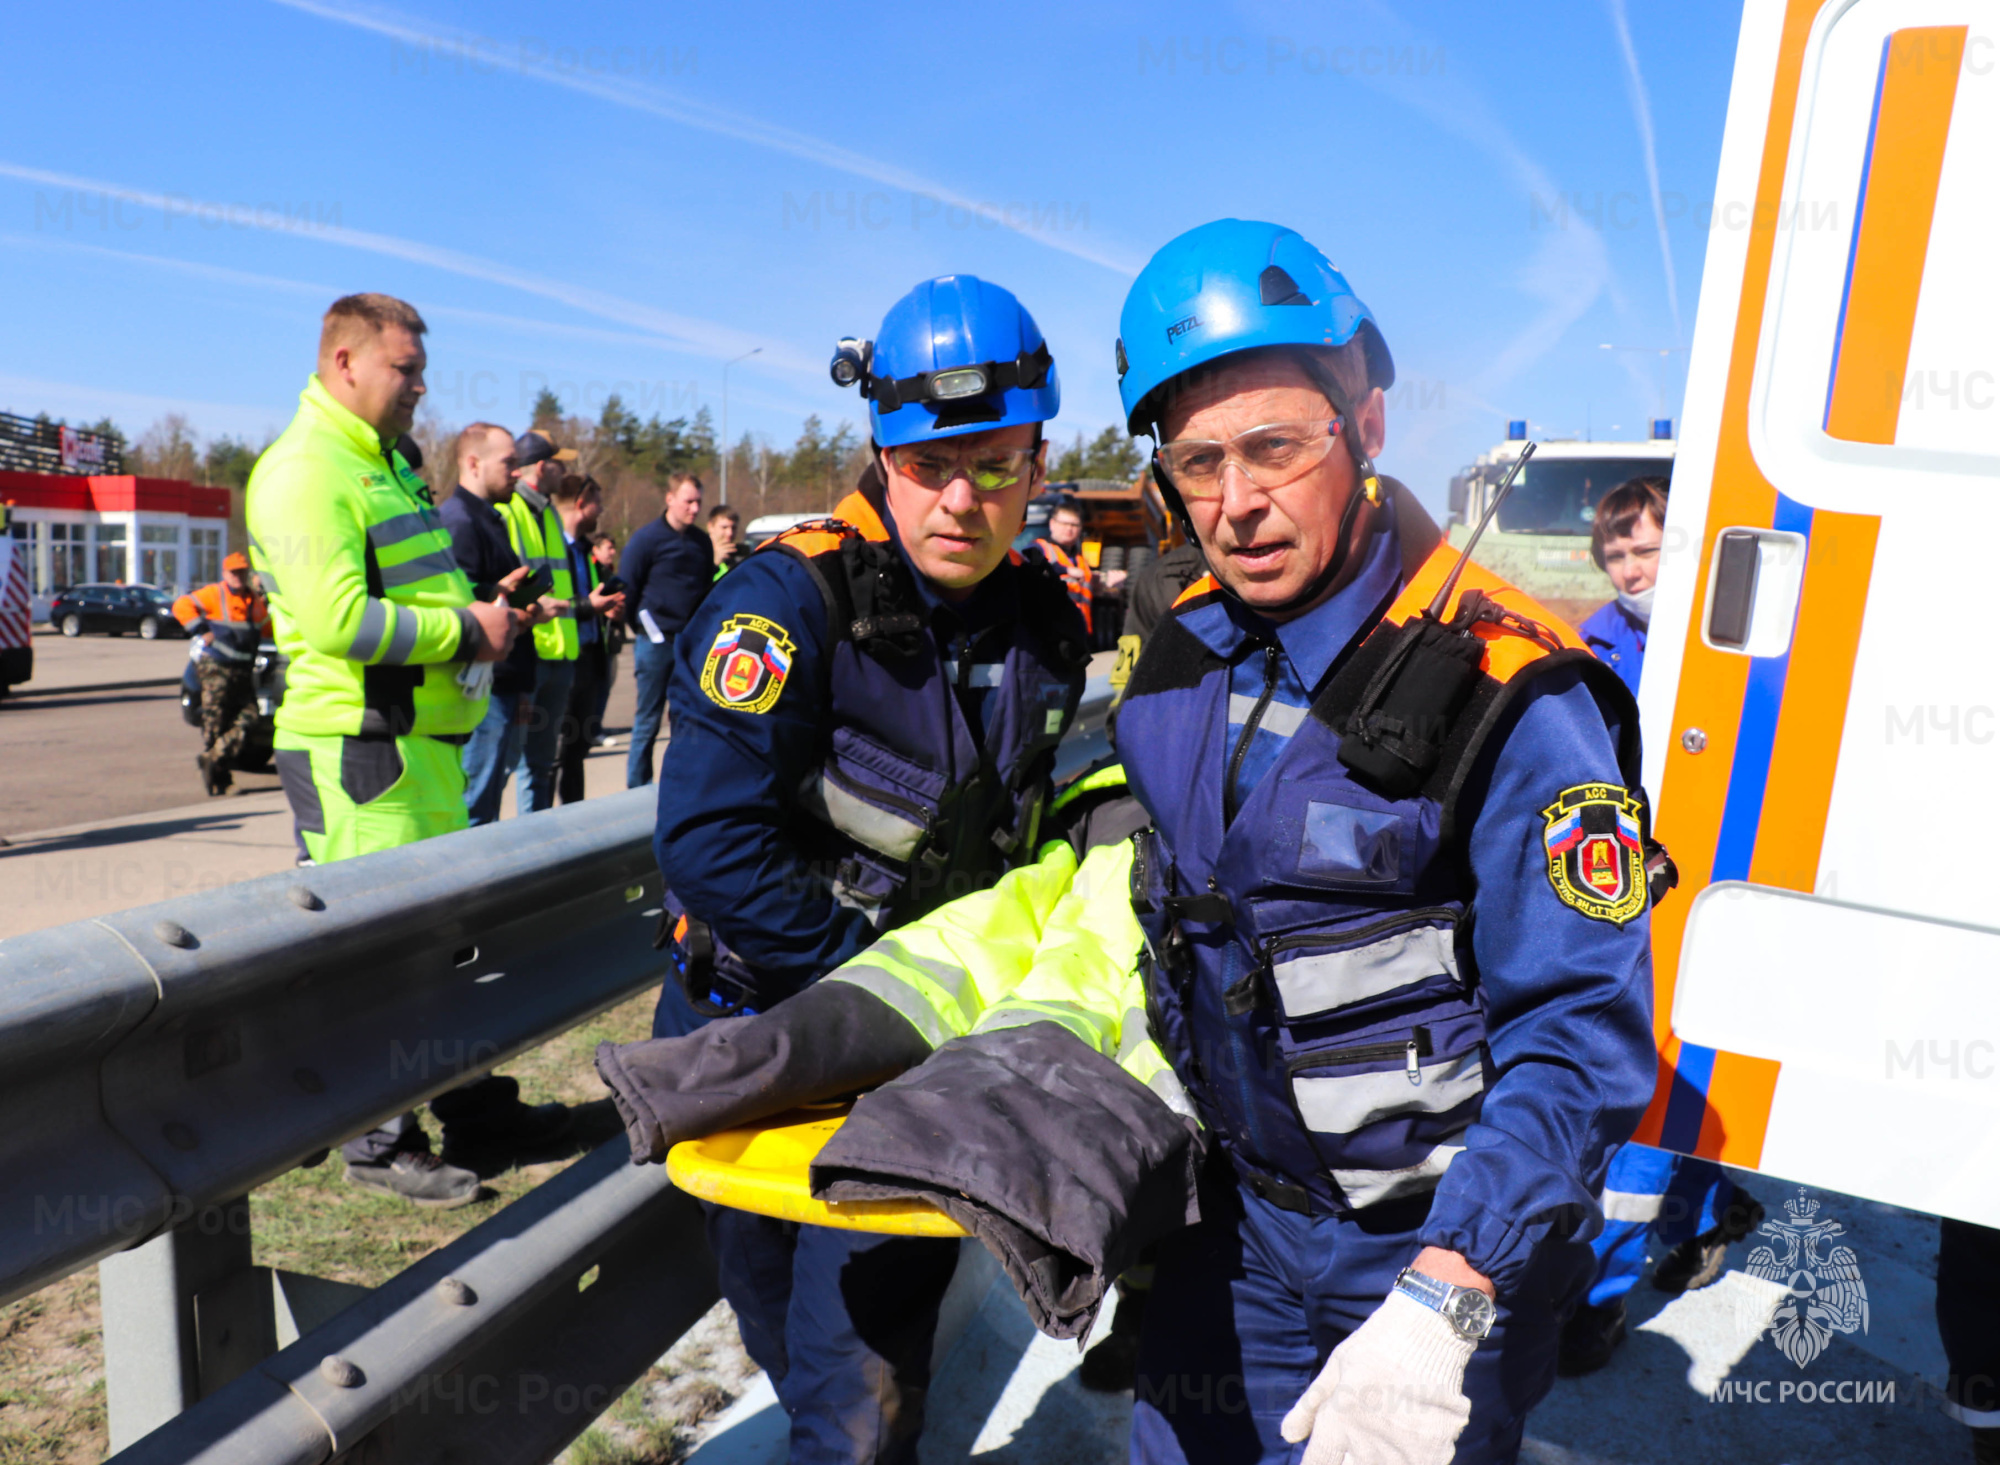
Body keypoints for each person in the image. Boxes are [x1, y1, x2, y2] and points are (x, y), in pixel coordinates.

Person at [1105, 221, 1657, 1464]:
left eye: (1272, 446)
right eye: (1197, 464)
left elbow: (1578, 1037)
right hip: (1232, 1233)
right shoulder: (1178, 656)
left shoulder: (1517, 696)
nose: (1236, 503)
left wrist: (1446, 1296)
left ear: (1364, 426)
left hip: (1428, 1261)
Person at [650, 274, 1088, 1464]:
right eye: (926, 463)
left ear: (1039, 461)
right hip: (753, 1035)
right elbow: (704, 843)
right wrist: (877, 994)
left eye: (994, 465)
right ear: (876, 449)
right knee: (778, 1330)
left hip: (914, 1078)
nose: (960, 499)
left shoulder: (1052, 625)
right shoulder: (787, 604)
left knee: (859, 1386)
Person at [248, 293, 569, 1207]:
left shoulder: (381, 464)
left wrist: (483, 601)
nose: (421, 388)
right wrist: (468, 629)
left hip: (419, 748)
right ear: (345, 363)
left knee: (451, 948)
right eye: (406, 369)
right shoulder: (308, 469)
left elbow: (410, 594)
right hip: (360, 752)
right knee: (381, 958)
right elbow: (336, 619)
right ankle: (377, 1142)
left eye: (421, 370)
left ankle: (478, 1112)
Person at [1558, 475, 1763, 1375]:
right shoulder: (1591, 645)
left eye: (1647, 548)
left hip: (1722, 894)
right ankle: (1709, 1215)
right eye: (1618, 553)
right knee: (1641, 1091)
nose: (1633, 567)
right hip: (1629, 893)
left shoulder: (1742, 638)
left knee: (1667, 1100)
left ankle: (1597, 1304)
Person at [503, 430, 620, 813]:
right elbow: (513, 586)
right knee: (515, 765)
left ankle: (536, 853)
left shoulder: (549, 513)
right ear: (542, 466)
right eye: (559, 463)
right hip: (530, 653)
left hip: (561, 654)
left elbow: (560, 586)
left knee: (540, 764)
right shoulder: (510, 510)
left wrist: (584, 607)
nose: (565, 472)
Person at [440, 422, 548, 827]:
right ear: (473, 463)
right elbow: (460, 608)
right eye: (508, 463)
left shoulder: (490, 518)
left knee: (487, 803)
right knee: (473, 809)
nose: (517, 472)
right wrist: (506, 608)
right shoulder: (460, 522)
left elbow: (485, 595)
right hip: (481, 690)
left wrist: (514, 606)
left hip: (502, 684)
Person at [618, 473, 710, 787]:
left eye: (698, 501)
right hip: (654, 644)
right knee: (648, 721)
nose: (695, 508)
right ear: (670, 499)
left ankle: (683, 786)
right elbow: (627, 589)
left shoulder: (701, 543)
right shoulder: (646, 540)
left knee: (691, 722)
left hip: (692, 647)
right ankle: (636, 790)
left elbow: (706, 593)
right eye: (689, 501)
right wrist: (643, 628)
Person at [172, 550, 273, 796]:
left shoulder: (254, 601)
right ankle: (222, 779)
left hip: (241, 670)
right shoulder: (214, 594)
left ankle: (212, 758)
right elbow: (181, 605)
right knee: (215, 722)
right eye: (234, 572)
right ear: (225, 573)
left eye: (242, 572)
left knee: (249, 717)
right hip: (216, 667)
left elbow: (267, 628)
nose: (238, 576)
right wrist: (200, 629)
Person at [551, 473, 624, 804]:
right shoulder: (552, 546)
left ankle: (572, 824)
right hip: (561, 660)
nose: (602, 510)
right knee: (550, 757)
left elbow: (588, 597)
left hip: (590, 658)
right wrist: (588, 607)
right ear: (581, 504)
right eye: (598, 503)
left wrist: (605, 609)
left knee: (577, 752)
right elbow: (551, 603)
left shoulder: (585, 551)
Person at [1026, 496, 1126, 636]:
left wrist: (1106, 586)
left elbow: (1086, 595)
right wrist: (1066, 570)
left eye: (1074, 525)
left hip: (1077, 633)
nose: (1069, 529)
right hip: (1048, 629)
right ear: (1052, 524)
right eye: (1064, 523)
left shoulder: (1081, 560)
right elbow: (1030, 566)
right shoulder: (1037, 548)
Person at [588, 532, 624, 744]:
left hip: (609, 639)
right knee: (595, 686)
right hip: (594, 639)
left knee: (605, 684)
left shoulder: (608, 572)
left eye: (613, 548)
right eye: (608, 548)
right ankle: (593, 730)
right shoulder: (591, 570)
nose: (612, 552)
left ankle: (596, 727)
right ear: (596, 550)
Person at [706, 503, 749, 577]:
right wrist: (715, 564)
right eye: (724, 527)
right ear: (710, 527)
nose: (730, 533)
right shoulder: (699, 554)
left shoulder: (737, 557)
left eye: (734, 528)